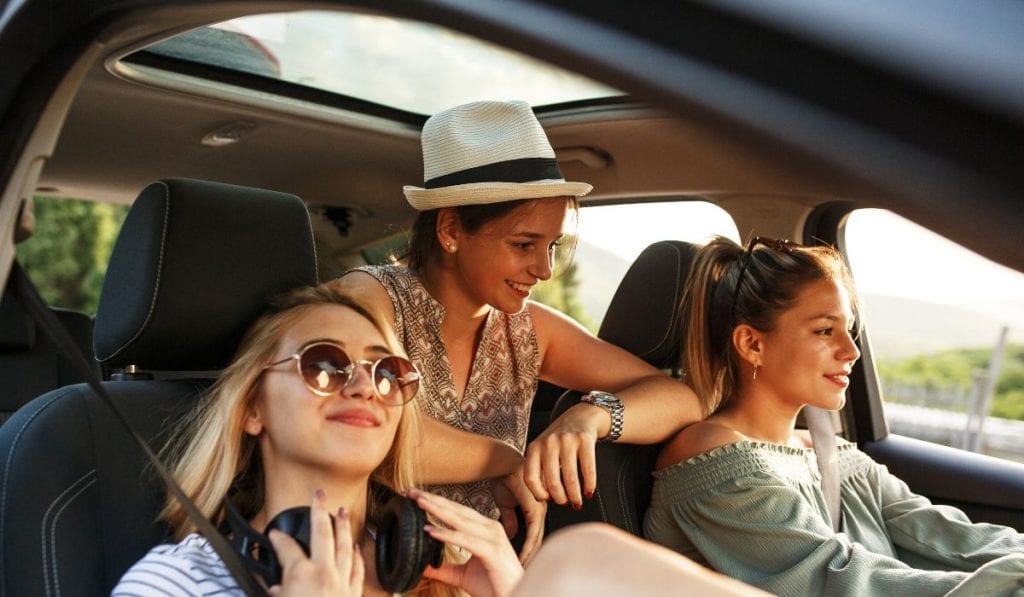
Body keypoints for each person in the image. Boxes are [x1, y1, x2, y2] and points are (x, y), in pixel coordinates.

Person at [111, 281, 763, 597]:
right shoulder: (180, 581)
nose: (364, 385)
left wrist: (512, 592)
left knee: (575, 561)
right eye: (325, 364)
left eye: (388, 369)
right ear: (252, 406)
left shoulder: (431, 565)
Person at [336, 100, 702, 552]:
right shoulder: (369, 300)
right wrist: (506, 460)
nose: (545, 270)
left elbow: (680, 400)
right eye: (525, 244)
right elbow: (369, 433)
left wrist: (588, 417)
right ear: (450, 230)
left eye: (552, 246)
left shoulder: (528, 330)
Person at [643, 236, 1024, 596]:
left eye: (850, 329)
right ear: (752, 343)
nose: (851, 351)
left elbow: (945, 534)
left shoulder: (832, 455)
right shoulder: (715, 461)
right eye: (826, 330)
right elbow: (838, 579)